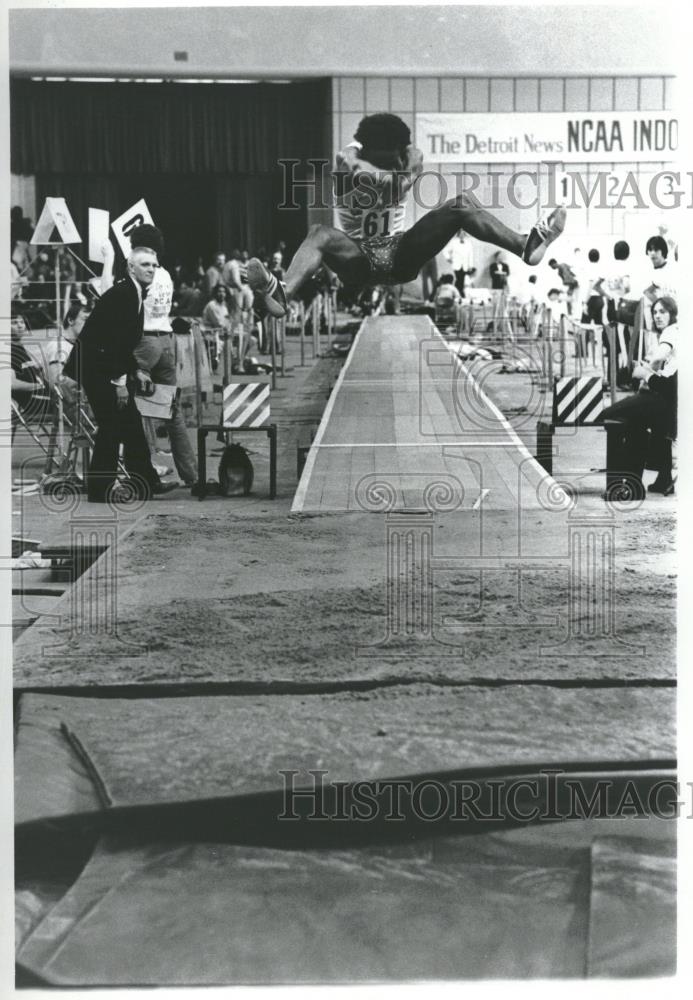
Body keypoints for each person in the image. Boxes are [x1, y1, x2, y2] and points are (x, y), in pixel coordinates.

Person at [247, 113, 566, 317]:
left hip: (400, 254)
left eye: (396, 160)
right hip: (356, 258)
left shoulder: (405, 157)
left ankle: (525, 244)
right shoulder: (348, 164)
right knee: (319, 232)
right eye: (385, 162)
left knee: (462, 203)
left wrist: (398, 165)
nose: (395, 166)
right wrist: (387, 170)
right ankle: (281, 291)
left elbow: (411, 163)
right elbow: (379, 174)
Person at [64, 244, 178, 502]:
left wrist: (135, 369)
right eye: (145, 264)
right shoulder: (124, 293)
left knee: (131, 424)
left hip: (104, 365)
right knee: (111, 426)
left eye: (154, 265)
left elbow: (123, 342)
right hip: (96, 369)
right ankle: (100, 491)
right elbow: (113, 343)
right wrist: (120, 383)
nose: (151, 269)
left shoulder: (134, 292)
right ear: (131, 267)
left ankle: (146, 482)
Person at [102, 224, 198, 488]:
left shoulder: (141, 274)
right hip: (166, 341)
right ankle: (191, 474)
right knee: (171, 412)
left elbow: (112, 297)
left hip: (143, 341)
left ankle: (145, 470)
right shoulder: (164, 274)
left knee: (131, 406)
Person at [600, 296, 677, 500]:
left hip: (663, 401)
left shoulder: (673, 330)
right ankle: (645, 483)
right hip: (669, 404)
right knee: (636, 423)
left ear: (673, 313)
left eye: (663, 312)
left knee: (610, 416)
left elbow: (662, 358)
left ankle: (623, 486)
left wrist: (646, 372)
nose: (658, 316)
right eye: (655, 312)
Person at [443, 229, 473, 297]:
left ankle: (458, 293)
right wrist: (448, 258)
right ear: (458, 233)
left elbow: (470, 254)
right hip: (457, 264)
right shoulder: (453, 242)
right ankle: (459, 293)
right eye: (461, 233)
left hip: (465, 265)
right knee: (459, 279)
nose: (462, 235)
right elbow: (445, 250)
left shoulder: (469, 243)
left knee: (461, 280)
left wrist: (470, 265)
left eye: (463, 233)